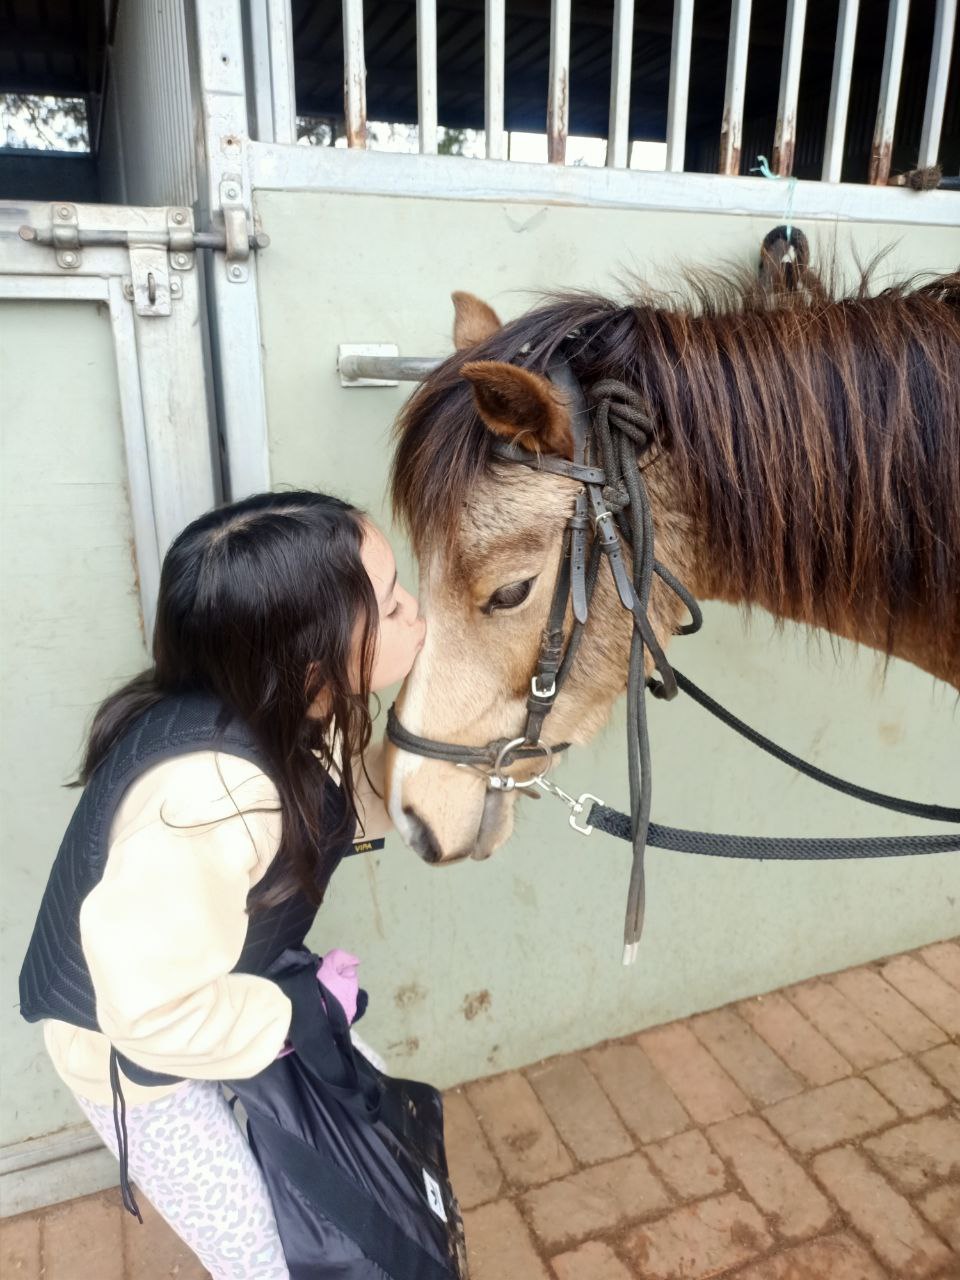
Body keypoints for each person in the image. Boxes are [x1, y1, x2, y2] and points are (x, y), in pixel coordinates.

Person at [19, 490, 425, 1280]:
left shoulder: (280, 698)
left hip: (211, 976)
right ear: (316, 658)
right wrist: (298, 1010)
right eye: (393, 603)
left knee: (368, 1129)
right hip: (136, 1048)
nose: (419, 612)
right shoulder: (211, 801)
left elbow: (342, 802)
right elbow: (150, 1013)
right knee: (268, 1257)